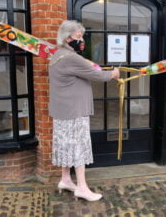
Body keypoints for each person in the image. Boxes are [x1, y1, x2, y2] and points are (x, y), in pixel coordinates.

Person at [50, 20, 119, 202]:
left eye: (82, 36)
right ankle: (81, 187)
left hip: (62, 110)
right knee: (78, 145)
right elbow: (97, 75)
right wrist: (114, 73)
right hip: (74, 110)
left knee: (66, 144)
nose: (82, 41)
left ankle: (65, 179)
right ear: (67, 38)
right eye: (78, 37)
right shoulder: (72, 58)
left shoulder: (57, 55)